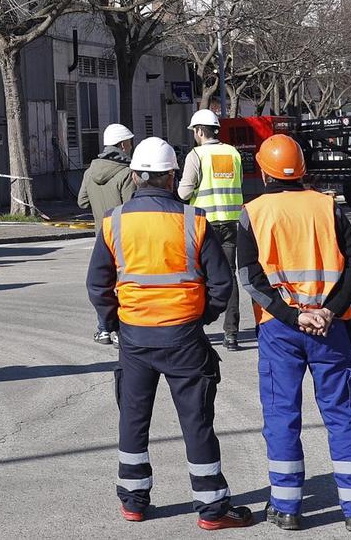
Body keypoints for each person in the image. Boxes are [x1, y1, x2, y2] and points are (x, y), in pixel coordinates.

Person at [89, 137, 253, 530]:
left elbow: (98, 284)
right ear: (171, 176)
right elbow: (221, 284)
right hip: (183, 336)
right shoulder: (193, 220)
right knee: (196, 421)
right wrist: (201, 318)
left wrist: (113, 322)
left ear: (134, 176)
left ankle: (133, 502)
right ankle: (212, 508)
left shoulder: (115, 220)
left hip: (135, 337)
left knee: (133, 418)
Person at [238, 134, 351, 534]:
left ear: (265, 173)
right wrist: (327, 310)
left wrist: (292, 316)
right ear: (302, 169)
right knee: (341, 417)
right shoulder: (327, 207)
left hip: (279, 331)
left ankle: (286, 506)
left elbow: (250, 280)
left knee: (281, 415)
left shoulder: (253, 213)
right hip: (330, 328)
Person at [180, 108, 248, 352]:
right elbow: (237, 183)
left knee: (198, 277)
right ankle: (231, 334)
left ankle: (195, 329)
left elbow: (184, 192)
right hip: (231, 222)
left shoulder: (196, 156)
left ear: (199, 131)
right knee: (229, 276)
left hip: (204, 224)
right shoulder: (233, 153)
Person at [80, 123, 139, 345]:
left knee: (104, 283)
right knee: (123, 284)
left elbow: (82, 201)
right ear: (122, 144)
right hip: (124, 237)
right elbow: (131, 207)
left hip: (101, 236)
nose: (131, 146)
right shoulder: (126, 173)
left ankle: (103, 329)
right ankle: (119, 330)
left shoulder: (90, 171)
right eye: (129, 142)